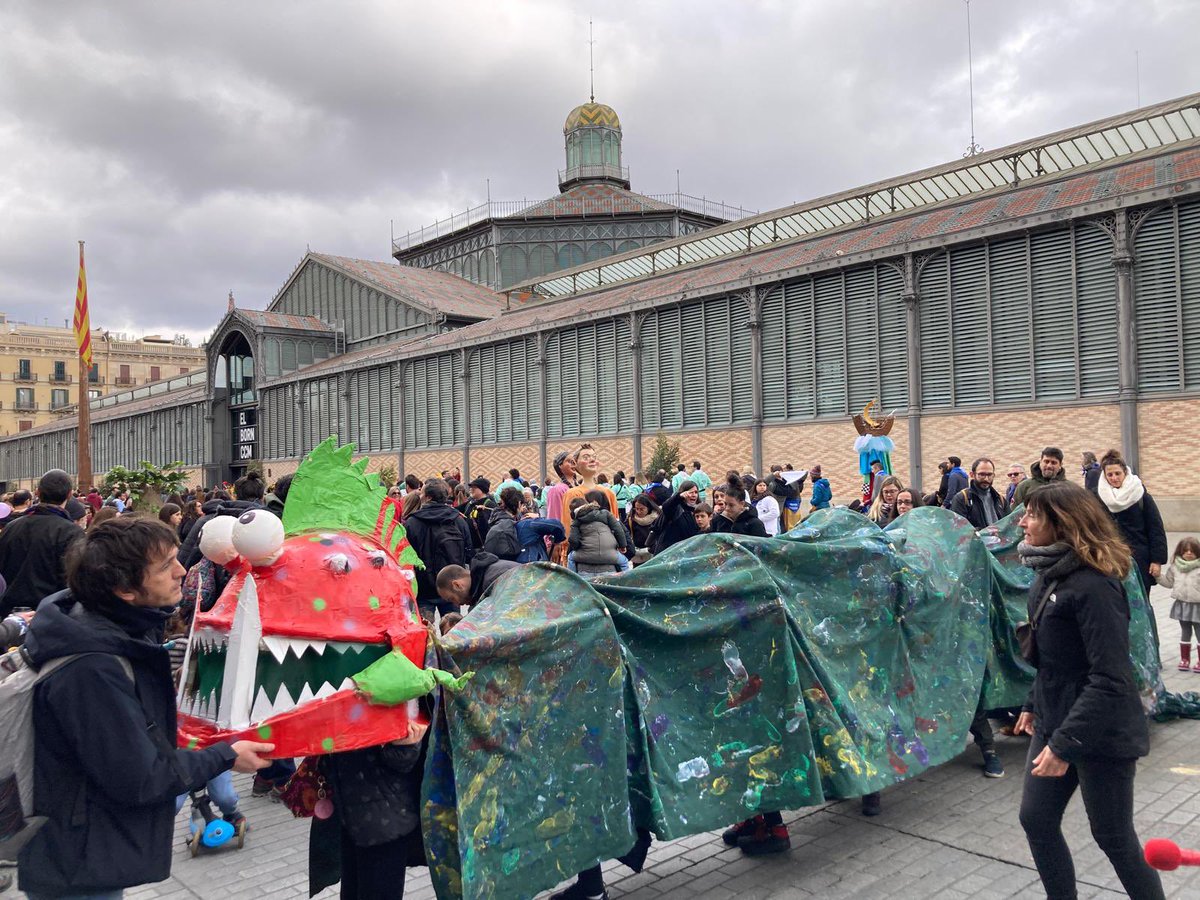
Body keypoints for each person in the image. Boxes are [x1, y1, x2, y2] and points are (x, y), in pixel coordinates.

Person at [18, 517, 273, 898]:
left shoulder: (101, 627)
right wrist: (224, 756)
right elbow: (140, 776)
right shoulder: (91, 667)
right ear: (124, 588)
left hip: (84, 845)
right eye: (166, 564)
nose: (181, 571)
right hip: (78, 860)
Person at [1013, 482, 1165, 900]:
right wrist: (1032, 703)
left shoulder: (1095, 586)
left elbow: (1111, 678)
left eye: (1032, 515)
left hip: (1100, 733)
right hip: (1054, 718)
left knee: (1113, 837)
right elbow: (1052, 656)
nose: (1022, 522)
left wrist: (1064, 747)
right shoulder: (1047, 572)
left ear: (1062, 523)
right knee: (1037, 820)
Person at [0, 469, 85, 617]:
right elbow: (73, 581)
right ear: (70, 495)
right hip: (49, 615)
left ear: (37, 492)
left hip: (8, 613)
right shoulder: (71, 532)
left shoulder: (12, 527)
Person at [1096, 449, 1168, 603]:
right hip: (1111, 559)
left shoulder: (1140, 495)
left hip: (1139, 559)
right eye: (1110, 475)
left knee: (1140, 602)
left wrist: (1156, 560)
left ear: (1125, 473)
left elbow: (1155, 529)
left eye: (1117, 473)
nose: (1114, 478)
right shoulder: (1100, 498)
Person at [403, 478, 474, 619]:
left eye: (422, 493)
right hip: (453, 586)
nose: (420, 496)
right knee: (453, 633)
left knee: (426, 633)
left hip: (423, 588)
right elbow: (469, 551)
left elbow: (405, 557)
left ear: (428, 497)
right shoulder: (458, 520)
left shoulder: (413, 523)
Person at [1158, 536, 1200, 673]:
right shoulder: (1175, 567)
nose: (1188, 553)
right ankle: (1185, 659)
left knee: (1199, 632)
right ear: (1180, 552)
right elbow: (1169, 583)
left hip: (1198, 605)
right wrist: (1157, 576)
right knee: (1185, 631)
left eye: (1192, 551)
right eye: (1185, 551)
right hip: (1182, 605)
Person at [567, 491, 631, 577]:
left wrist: (577, 547)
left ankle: (574, 580)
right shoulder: (606, 513)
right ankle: (627, 580)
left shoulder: (577, 521)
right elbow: (618, 529)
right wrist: (622, 546)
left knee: (570, 557)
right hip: (610, 555)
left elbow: (573, 539)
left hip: (584, 555)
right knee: (624, 562)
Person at [435, 555, 521, 609]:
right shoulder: (486, 575)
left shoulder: (492, 582)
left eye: (452, 599)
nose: (457, 604)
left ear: (457, 585)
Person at [949, 458, 1009, 529]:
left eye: (989, 475)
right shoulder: (962, 498)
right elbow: (959, 529)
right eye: (982, 474)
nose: (986, 479)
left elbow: (1009, 525)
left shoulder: (1000, 500)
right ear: (972, 475)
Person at [651, 480, 701, 552]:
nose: (694, 495)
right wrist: (678, 496)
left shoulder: (697, 510)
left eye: (696, 492)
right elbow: (666, 506)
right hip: (671, 552)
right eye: (691, 492)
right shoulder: (676, 508)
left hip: (689, 552)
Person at [465, 478, 497, 549]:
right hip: (471, 545)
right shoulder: (470, 504)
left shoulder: (489, 505)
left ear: (482, 489)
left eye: (474, 487)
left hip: (482, 546)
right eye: (471, 487)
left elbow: (488, 527)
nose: (471, 489)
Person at [629, 495, 660, 566]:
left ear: (649, 508)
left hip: (655, 554)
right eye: (636, 508)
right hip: (639, 556)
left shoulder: (658, 518)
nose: (638, 512)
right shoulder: (631, 519)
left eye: (642, 509)